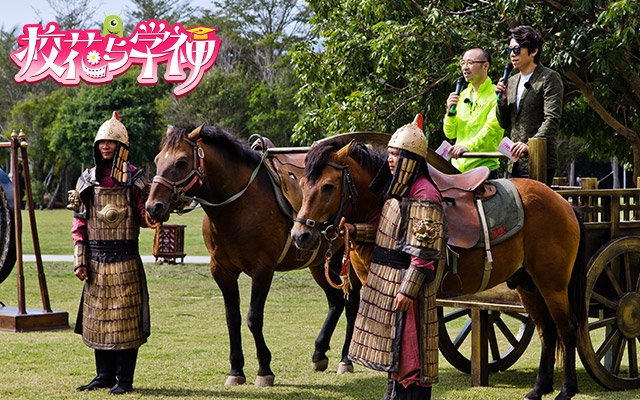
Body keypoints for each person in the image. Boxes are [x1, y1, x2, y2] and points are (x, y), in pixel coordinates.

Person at [347, 114, 446, 400]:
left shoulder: (425, 194)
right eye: (389, 153)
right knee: (396, 353)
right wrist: (355, 230)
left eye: (396, 154)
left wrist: (408, 291)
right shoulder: (398, 190)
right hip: (391, 284)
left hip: (407, 287)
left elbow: (424, 252)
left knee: (411, 357)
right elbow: (384, 231)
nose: (390, 160)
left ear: (411, 160)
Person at [68, 111, 151, 395]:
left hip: (125, 259)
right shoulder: (87, 179)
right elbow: (79, 221)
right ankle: (103, 376)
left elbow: (143, 215)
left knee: (125, 322)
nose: (105, 146)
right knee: (98, 320)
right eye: (102, 142)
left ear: (121, 146)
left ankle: (124, 379)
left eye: (111, 142)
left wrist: (153, 216)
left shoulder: (136, 178)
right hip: (95, 260)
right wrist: (80, 261)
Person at [495, 25, 563, 185]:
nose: (512, 55)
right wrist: (502, 102)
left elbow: (552, 119)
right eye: (509, 50)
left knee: (537, 208)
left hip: (539, 159)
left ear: (533, 51)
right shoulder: (511, 81)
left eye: (517, 50)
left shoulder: (549, 78)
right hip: (514, 161)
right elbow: (504, 123)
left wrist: (529, 145)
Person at [443, 48, 504, 178]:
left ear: (485, 66)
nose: (465, 67)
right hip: (457, 167)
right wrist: (450, 113)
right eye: (463, 63)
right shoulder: (462, 95)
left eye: (470, 63)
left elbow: (491, 130)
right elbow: (450, 133)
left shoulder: (495, 95)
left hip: (484, 168)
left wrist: (467, 147)